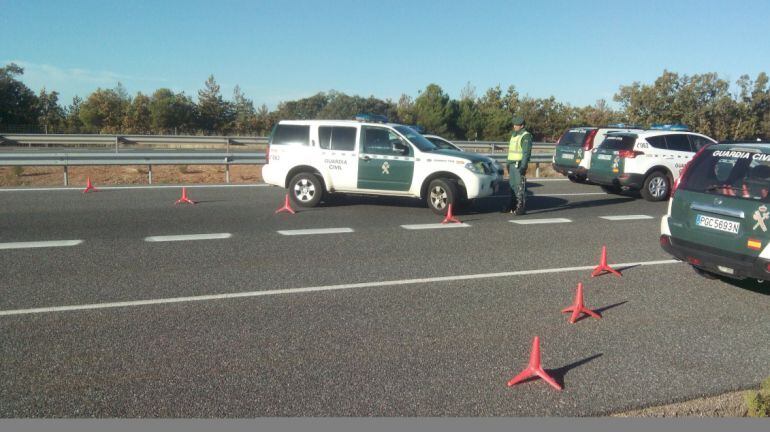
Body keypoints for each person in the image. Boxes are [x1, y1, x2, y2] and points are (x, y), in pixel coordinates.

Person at [504, 115, 533, 215]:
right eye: (514, 124)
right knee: (512, 185)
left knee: (519, 186)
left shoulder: (526, 136)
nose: (514, 126)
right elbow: (511, 151)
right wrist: (507, 163)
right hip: (511, 164)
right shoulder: (514, 135)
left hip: (518, 164)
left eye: (517, 125)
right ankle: (512, 205)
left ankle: (521, 207)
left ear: (522, 125)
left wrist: (523, 166)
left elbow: (526, 153)